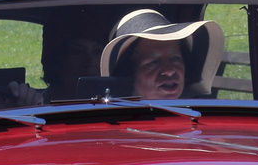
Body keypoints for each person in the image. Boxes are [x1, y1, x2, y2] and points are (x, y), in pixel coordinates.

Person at [96, 9, 224, 101]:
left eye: (175, 59)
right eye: (153, 63)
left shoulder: (203, 123)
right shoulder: (114, 134)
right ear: (128, 75)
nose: (168, 71)